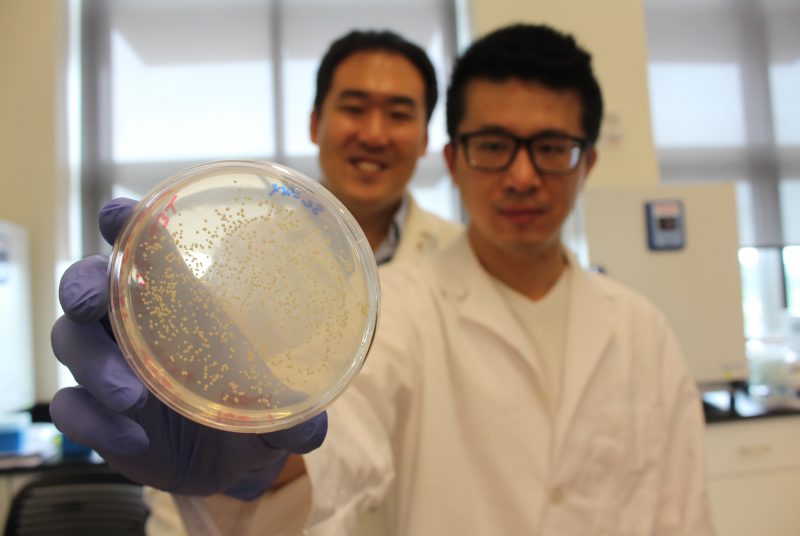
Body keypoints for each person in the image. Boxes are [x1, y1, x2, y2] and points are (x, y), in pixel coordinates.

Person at [50, 23, 713, 535]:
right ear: (454, 159)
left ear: (587, 160)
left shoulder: (640, 325)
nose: (521, 176)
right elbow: (349, 435)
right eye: (493, 146)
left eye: (551, 148)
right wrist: (246, 463)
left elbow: (684, 507)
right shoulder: (399, 302)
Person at [141, 29, 462, 535]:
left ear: (425, 138)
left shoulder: (458, 261)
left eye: (399, 114)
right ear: (316, 123)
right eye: (354, 107)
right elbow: (203, 404)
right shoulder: (245, 251)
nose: (375, 133)